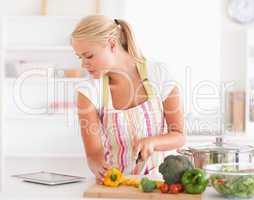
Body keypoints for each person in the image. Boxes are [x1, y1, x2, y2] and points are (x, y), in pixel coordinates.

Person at [71, 15, 185, 183]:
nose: (83, 64)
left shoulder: (159, 74)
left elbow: (179, 135)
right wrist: (100, 168)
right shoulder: (88, 92)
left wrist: (153, 142)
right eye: (79, 57)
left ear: (111, 44)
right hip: (117, 184)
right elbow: (94, 154)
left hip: (160, 184)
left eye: (88, 56)